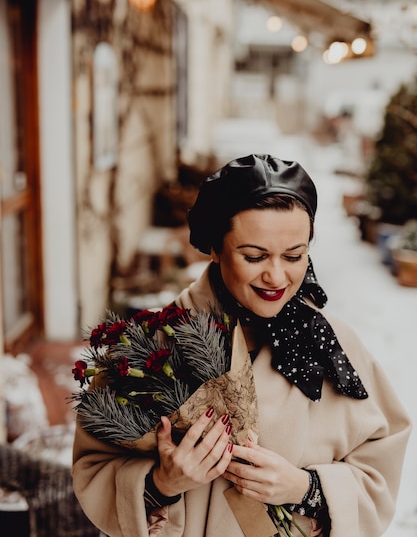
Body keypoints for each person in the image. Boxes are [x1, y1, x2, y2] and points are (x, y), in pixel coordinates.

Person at [72, 153, 411, 537]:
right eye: (254, 256)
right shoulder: (152, 343)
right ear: (215, 249)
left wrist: (306, 488)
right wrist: (162, 485)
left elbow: (379, 465)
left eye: (295, 255)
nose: (277, 276)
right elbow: (94, 467)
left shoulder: (332, 346)